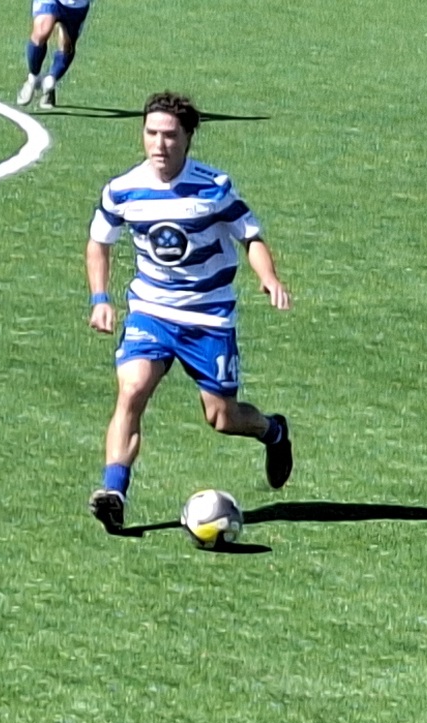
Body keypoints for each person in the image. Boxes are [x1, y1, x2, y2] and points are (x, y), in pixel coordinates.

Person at [85, 91, 293, 533]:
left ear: (187, 138)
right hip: (152, 311)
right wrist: (100, 298)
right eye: (151, 133)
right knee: (131, 390)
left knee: (222, 417)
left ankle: (273, 431)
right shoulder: (122, 190)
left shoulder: (214, 187)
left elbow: (250, 236)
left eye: (169, 135)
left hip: (208, 318)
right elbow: (99, 242)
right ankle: (114, 493)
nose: (159, 144)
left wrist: (269, 277)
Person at [16, 0, 91, 110]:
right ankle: (33, 77)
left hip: (76, 4)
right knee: (41, 31)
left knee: (67, 44)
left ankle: (51, 80)